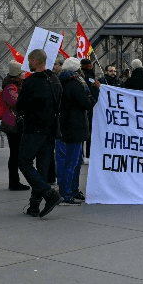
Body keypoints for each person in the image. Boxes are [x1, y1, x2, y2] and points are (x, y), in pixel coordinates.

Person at [14, 49, 63, 218]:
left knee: (24, 161)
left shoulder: (32, 82)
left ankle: (49, 194)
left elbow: (20, 106)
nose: (28, 63)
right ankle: (34, 204)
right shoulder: (55, 80)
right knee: (42, 166)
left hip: (34, 129)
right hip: (50, 130)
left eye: (29, 60)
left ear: (35, 61)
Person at [56, 57, 96, 205]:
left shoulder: (64, 82)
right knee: (72, 161)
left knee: (75, 160)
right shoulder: (75, 84)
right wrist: (94, 93)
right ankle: (67, 193)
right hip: (75, 126)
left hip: (69, 125)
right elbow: (86, 103)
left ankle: (71, 190)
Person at [0, 61, 27, 191]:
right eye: (23, 72)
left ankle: (14, 181)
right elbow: (17, 103)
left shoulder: (13, 85)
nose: (25, 73)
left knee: (15, 153)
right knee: (15, 153)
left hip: (12, 123)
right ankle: (14, 182)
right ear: (18, 75)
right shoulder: (10, 87)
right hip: (13, 124)